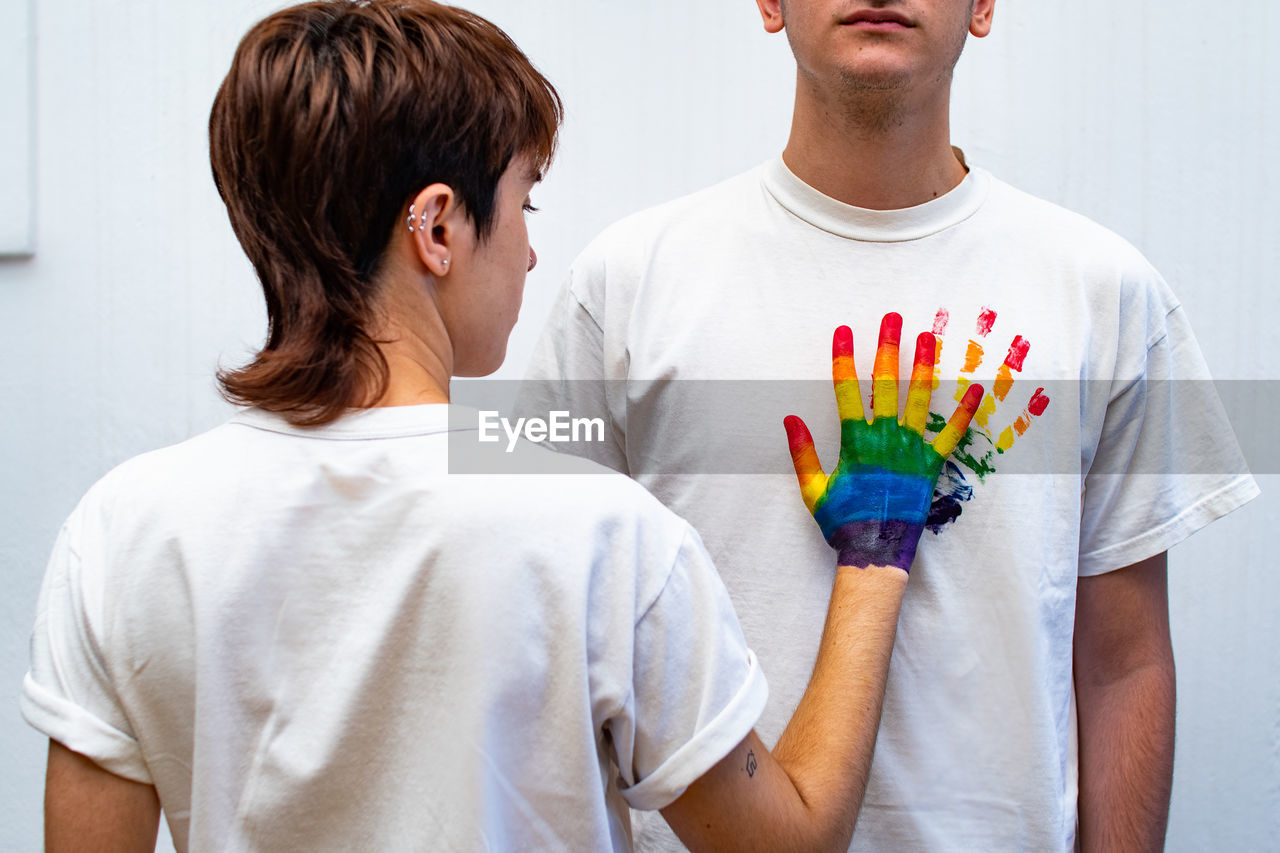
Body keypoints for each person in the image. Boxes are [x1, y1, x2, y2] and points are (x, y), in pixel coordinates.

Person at [20, 2, 983, 850]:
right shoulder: (604, 533)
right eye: (526, 199)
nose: (530, 250)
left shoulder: (121, 529)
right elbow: (791, 842)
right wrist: (874, 551)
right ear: (437, 227)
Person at [517, 1, 1259, 851]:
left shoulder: (1103, 294)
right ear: (768, 3)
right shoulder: (626, 287)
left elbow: (1122, 662)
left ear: (983, 7)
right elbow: (552, 646)